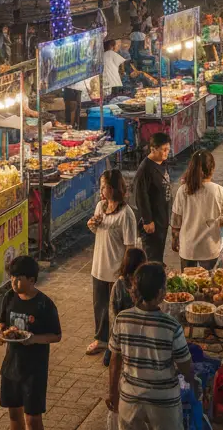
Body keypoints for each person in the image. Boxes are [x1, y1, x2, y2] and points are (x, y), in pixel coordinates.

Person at [107, 262, 194, 430]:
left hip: (130, 399)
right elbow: (185, 366)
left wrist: (112, 392)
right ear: (160, 292)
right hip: (163, 402)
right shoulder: (172, 326)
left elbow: (114, 361)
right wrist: (193, 382)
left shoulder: (122, 319)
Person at [0, 255, 62, 430]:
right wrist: (1, 332)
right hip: (11, 365)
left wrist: (34, 339)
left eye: (18, 278)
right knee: (14, 414)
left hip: (34, 370)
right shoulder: (9, 297)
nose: (13, 282)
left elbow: (56, 335)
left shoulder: (44, 304)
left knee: (32, 419)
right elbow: (2, 322)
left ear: (32, 280)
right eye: (12, 277)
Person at [87, 169, 138, 354]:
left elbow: (130, 246)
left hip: (116, 269)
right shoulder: (100, 206)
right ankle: (101, 339)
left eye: (104, 186)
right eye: (101, 186)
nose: (101, 190)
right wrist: (92, 225)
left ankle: (119, 342)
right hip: (99, 266)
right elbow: (100, 232)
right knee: (99, 306)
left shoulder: (126, 214)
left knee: (118, 308)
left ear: (114, 188)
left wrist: (126, 272)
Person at [170, 149, 223, 270]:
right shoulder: (219, 191)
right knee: (208, 281)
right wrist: (213, 223)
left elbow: (176, 221)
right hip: (209, 248)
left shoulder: (183, 190)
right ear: (212, 169)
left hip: (188, 249)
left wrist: (174, 239)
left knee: (188, 281)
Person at [102, 247, 147, 367]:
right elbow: (113, 310)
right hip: (122, 325)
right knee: (110, 358)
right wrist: (118, 327)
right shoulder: (120, 284)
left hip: (137, 325)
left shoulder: (142, 281)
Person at [134, 133, 172, 263]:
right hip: (152, 221)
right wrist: (147, 220)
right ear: (153, 149)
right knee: (152, 257)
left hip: (162, 217)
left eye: (168, 149)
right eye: (163, 150)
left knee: (159, 253)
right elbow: (141, 195)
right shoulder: (145, 169)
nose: (166, 153)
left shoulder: (162, 162)